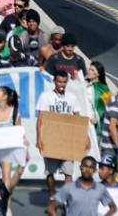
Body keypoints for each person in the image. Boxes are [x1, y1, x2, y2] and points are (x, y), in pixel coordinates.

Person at [36, 70, 86, 198]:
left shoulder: (72, 98)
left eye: (64, 82)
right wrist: (39, 138)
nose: (62, 84)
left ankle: (66, 198)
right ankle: (53, 196)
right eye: (59, 81)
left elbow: (77, 119)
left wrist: (83, 138)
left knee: (68, 172)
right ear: (54, 81)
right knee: (50, 171)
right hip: (51, 138)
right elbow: (41, 119)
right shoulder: (45, 96)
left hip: (67, 140)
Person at [48, 157, 117, 216]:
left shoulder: (100, 188)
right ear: (80, 167)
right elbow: (51, 208)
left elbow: (113, 208)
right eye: (85, 166)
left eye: (91, 167)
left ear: (95, 170)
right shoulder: (69, 187)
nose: (87, 170)